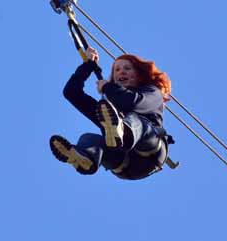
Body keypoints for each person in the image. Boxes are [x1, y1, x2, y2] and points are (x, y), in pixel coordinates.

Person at [49, 47, 172, 180]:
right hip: (125, 165)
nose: (121, 72)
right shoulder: (109, 113)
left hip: (150, 154)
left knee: (134, 120)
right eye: (117, 70)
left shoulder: (152, 92)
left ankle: (122, 132)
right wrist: (88, 65)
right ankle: (84, 157)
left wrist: (108, 88)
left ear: (139, 75)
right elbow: (71, 92)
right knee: (88, 139)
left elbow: (132, 102)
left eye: (127, 68)